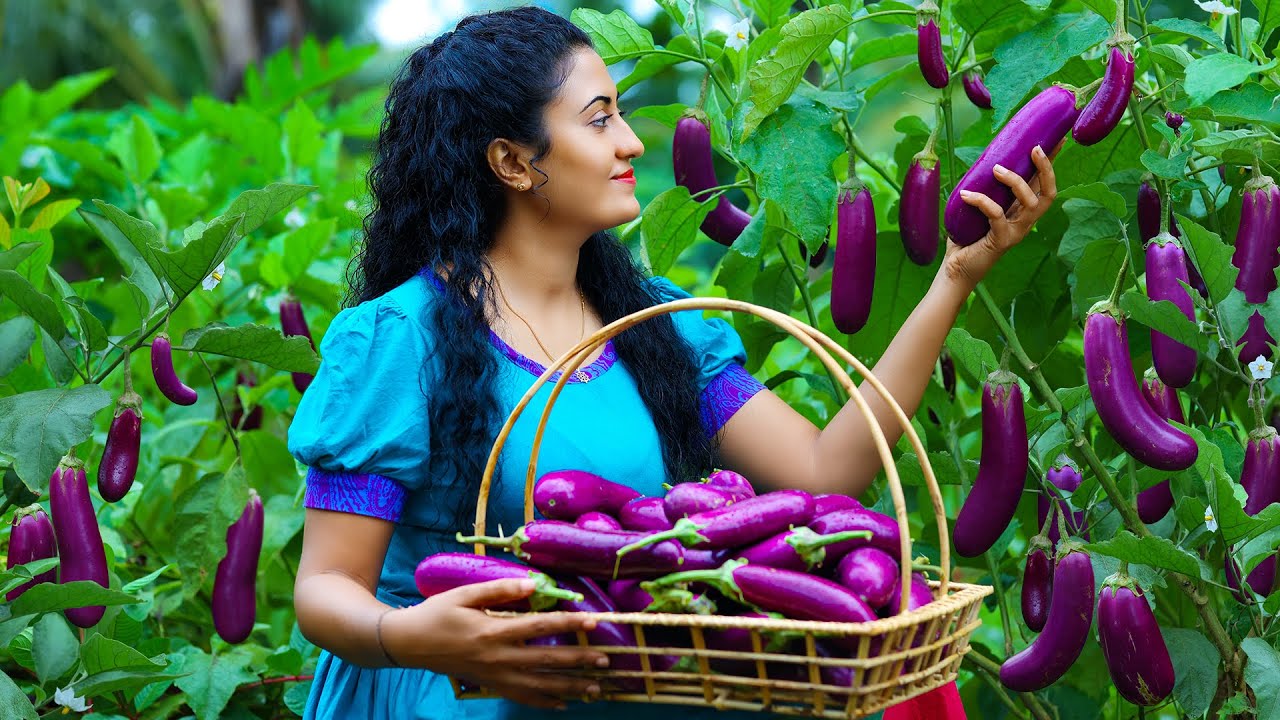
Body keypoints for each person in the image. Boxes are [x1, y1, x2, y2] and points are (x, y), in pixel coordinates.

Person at [287, 6, 1059, 719]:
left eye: (620, 112)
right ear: (512, 162)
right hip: (449, 699)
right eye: (600, 120)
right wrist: (416, 636)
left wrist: (956, 275)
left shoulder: (657, 325)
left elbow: (825, 471)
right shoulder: (398, 340)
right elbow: (325, 590)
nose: (630, 141)